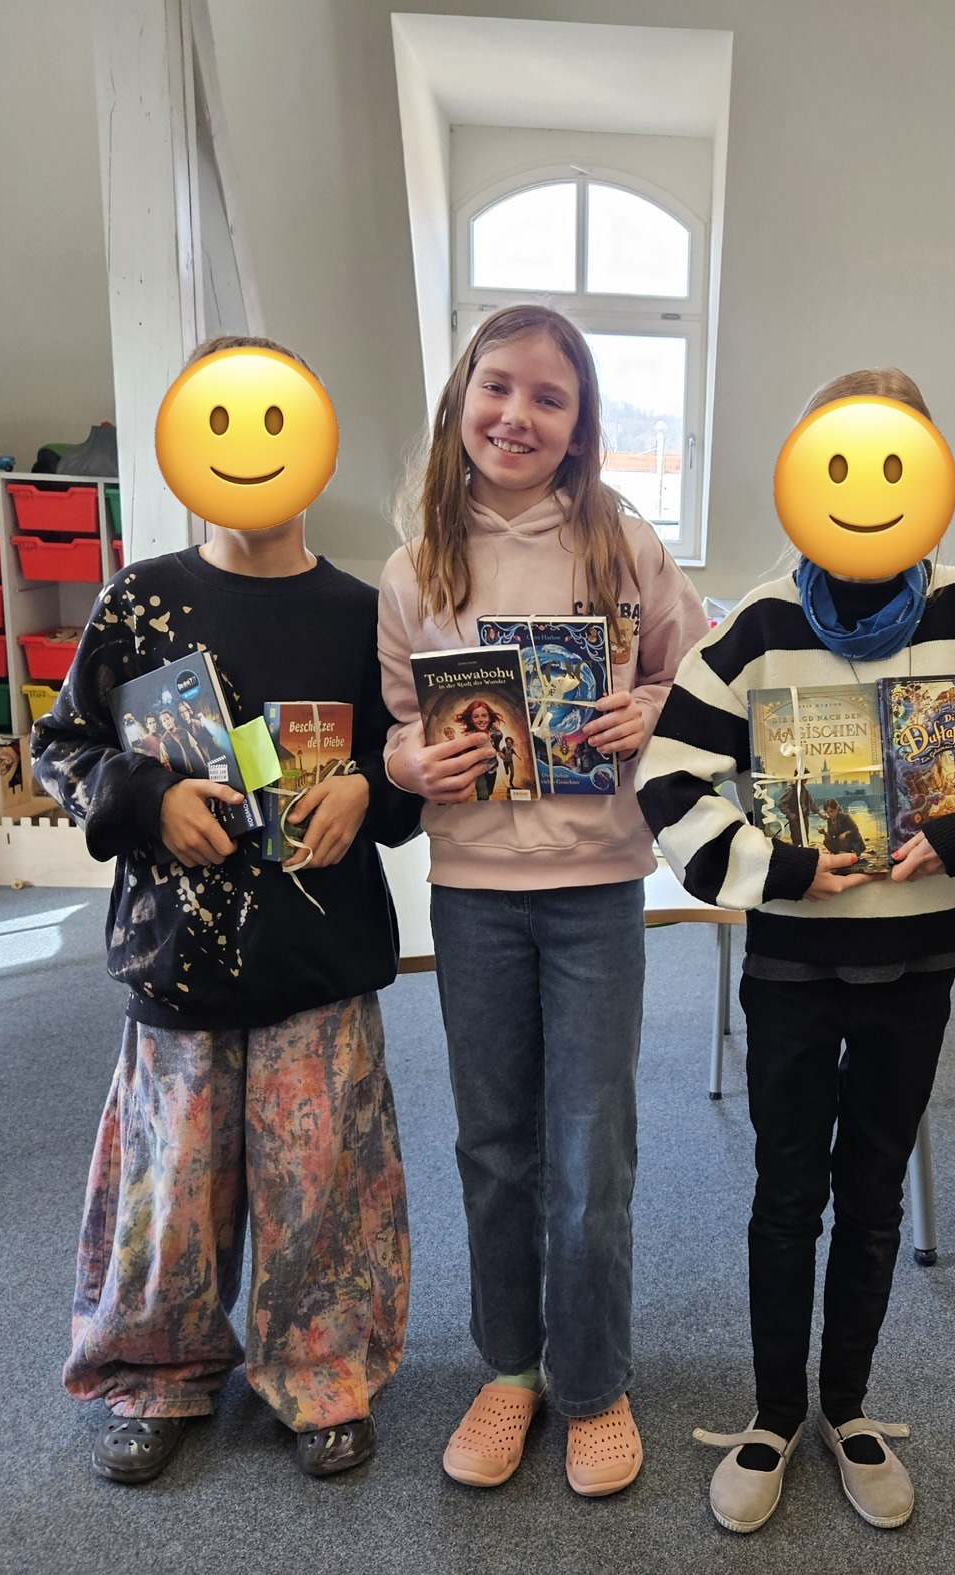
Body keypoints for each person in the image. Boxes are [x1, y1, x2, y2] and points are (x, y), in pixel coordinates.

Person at [637, 368, 955, 1534]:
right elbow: (669, 778)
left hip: (917, 963)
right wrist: (780, 866)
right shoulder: (758, 624)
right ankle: (773, 1414)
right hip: (792, 966)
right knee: (787, 1190)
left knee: (875, 1191)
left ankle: (845, 1407)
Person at [32, 333, 421, 1488]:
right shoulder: (139, 602)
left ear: (315, 447)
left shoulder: (363, 613)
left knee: (321, 1187)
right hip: (180, 961)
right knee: (173, 1189)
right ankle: (155, 1371)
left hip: (319, 955)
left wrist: (372, 786)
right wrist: (145, 799)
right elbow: (60, 748)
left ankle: (323, 1371)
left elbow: (409, 766)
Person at [378, 303, 707, 1499]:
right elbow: (395, 730)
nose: (518, 414)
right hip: (473, 898)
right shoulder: (415, 565)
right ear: (462, 400)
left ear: (580, 425)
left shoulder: (623, 544)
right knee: (494, 1146)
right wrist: (413, 763)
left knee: (589, 1151)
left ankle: (594, 1381)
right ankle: (510, 1368)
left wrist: (650, 709)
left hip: (595, 894)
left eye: (549, 398)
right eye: (499, 388)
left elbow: (696, 677)